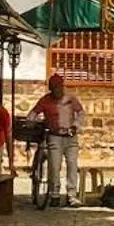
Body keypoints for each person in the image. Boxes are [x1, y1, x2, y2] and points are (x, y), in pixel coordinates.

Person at [29, 73, 85, 205]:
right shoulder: (45, 100)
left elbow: (81, 113)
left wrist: (76, 125)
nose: (57, 90)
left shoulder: (71, 99)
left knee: (72, 164)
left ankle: (71, 195)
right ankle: (54, 194)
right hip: (54, 136)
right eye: (54, 88)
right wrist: (31, 120)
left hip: (71, 136)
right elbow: (33, 113)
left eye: (59, 87)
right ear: (51, 88)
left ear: (62, 86)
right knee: (54, 166)